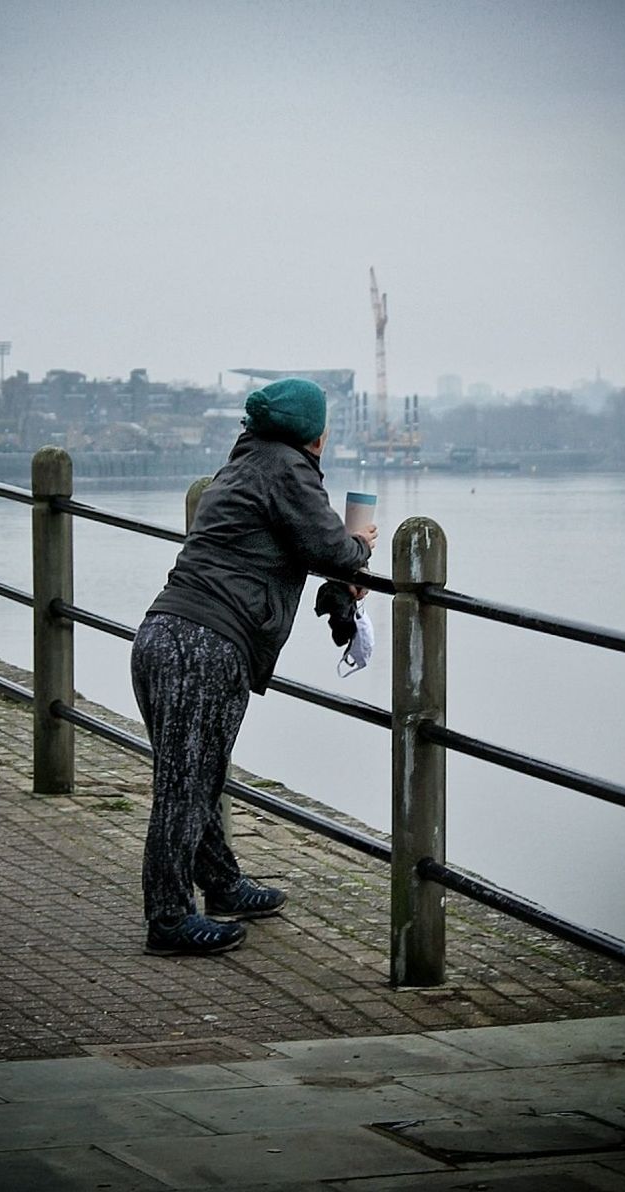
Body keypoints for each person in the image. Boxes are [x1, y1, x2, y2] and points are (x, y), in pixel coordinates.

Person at [130, 377, 378, 956]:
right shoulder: (286, 470)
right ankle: (168, 918)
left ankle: (220, 884)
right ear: (315, 434)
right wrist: (361, 545)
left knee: (199, 774)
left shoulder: (243, 465)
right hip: (204, 645)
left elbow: (287, 542)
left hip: (165, 635)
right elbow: (331, 549)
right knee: (185, 786)